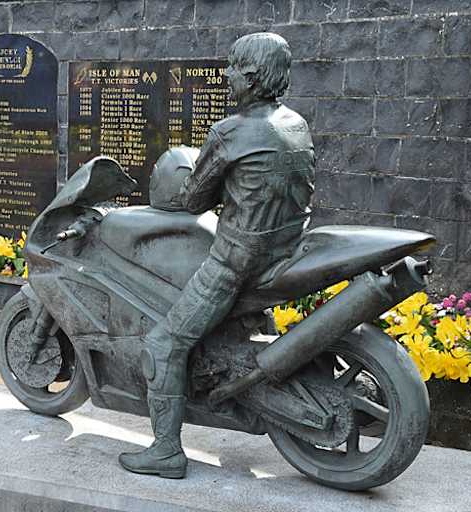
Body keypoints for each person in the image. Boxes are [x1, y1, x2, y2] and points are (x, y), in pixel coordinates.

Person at [119, 32, 316, 479]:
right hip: (285, 251)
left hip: (235, 263)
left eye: (230, 68)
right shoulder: (295, 124)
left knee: (163, 344)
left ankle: (166, 450)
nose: (224, 76)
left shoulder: (230, 132)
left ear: (249, 76)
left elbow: (191, 201)